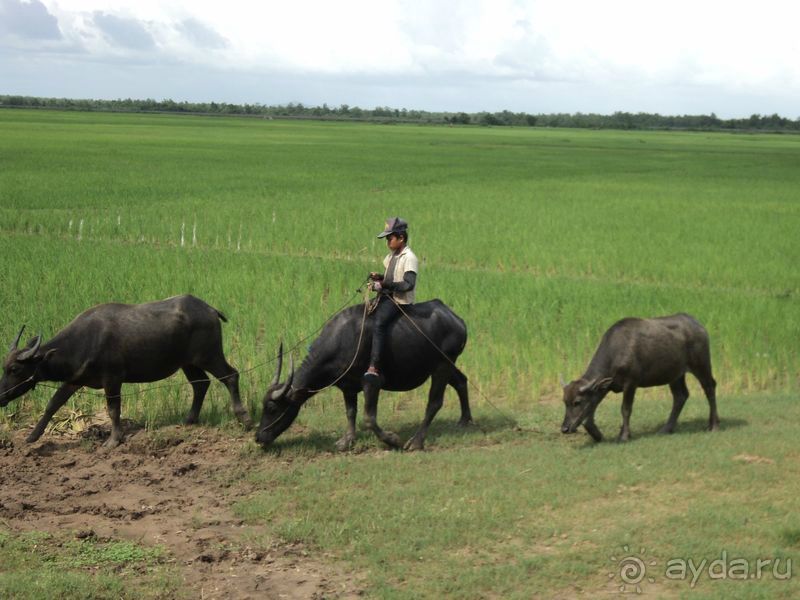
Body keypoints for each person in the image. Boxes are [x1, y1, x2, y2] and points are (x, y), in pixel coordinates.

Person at [364, 217, 419, 382]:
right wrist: (379, 277)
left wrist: (383, 285)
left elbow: (408, 284)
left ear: (401, 238)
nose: (388, 241)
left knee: (379, 323)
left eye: (390, 238)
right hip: (388, 296)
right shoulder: (393, 256)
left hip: (399, 301)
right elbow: (391, 277)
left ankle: (374, 366)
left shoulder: (409, 258)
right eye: (387, 238)